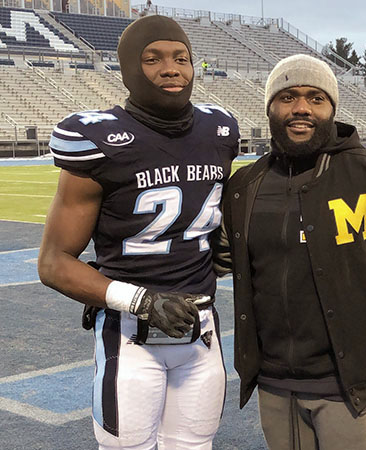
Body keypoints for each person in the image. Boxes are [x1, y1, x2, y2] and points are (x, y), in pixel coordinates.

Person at [213, 54, 366, 450]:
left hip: (351, 385)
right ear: (269, 107)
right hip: (274, 383)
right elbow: (211, 260)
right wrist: (128, 278)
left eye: (315, 98)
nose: (301, 108)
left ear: (332, 108)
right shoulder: (244, 186)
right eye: (288, 97)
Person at [37, 15, 239, 449]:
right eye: (153, 59)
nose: (171, 69)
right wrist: (141, 300)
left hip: (201, 330)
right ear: (129, 68)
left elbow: (215, 222)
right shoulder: (98, 138)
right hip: (130, 334)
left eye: (181, 58)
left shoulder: (218, 130)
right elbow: (53, 264)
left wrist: (227, 247)